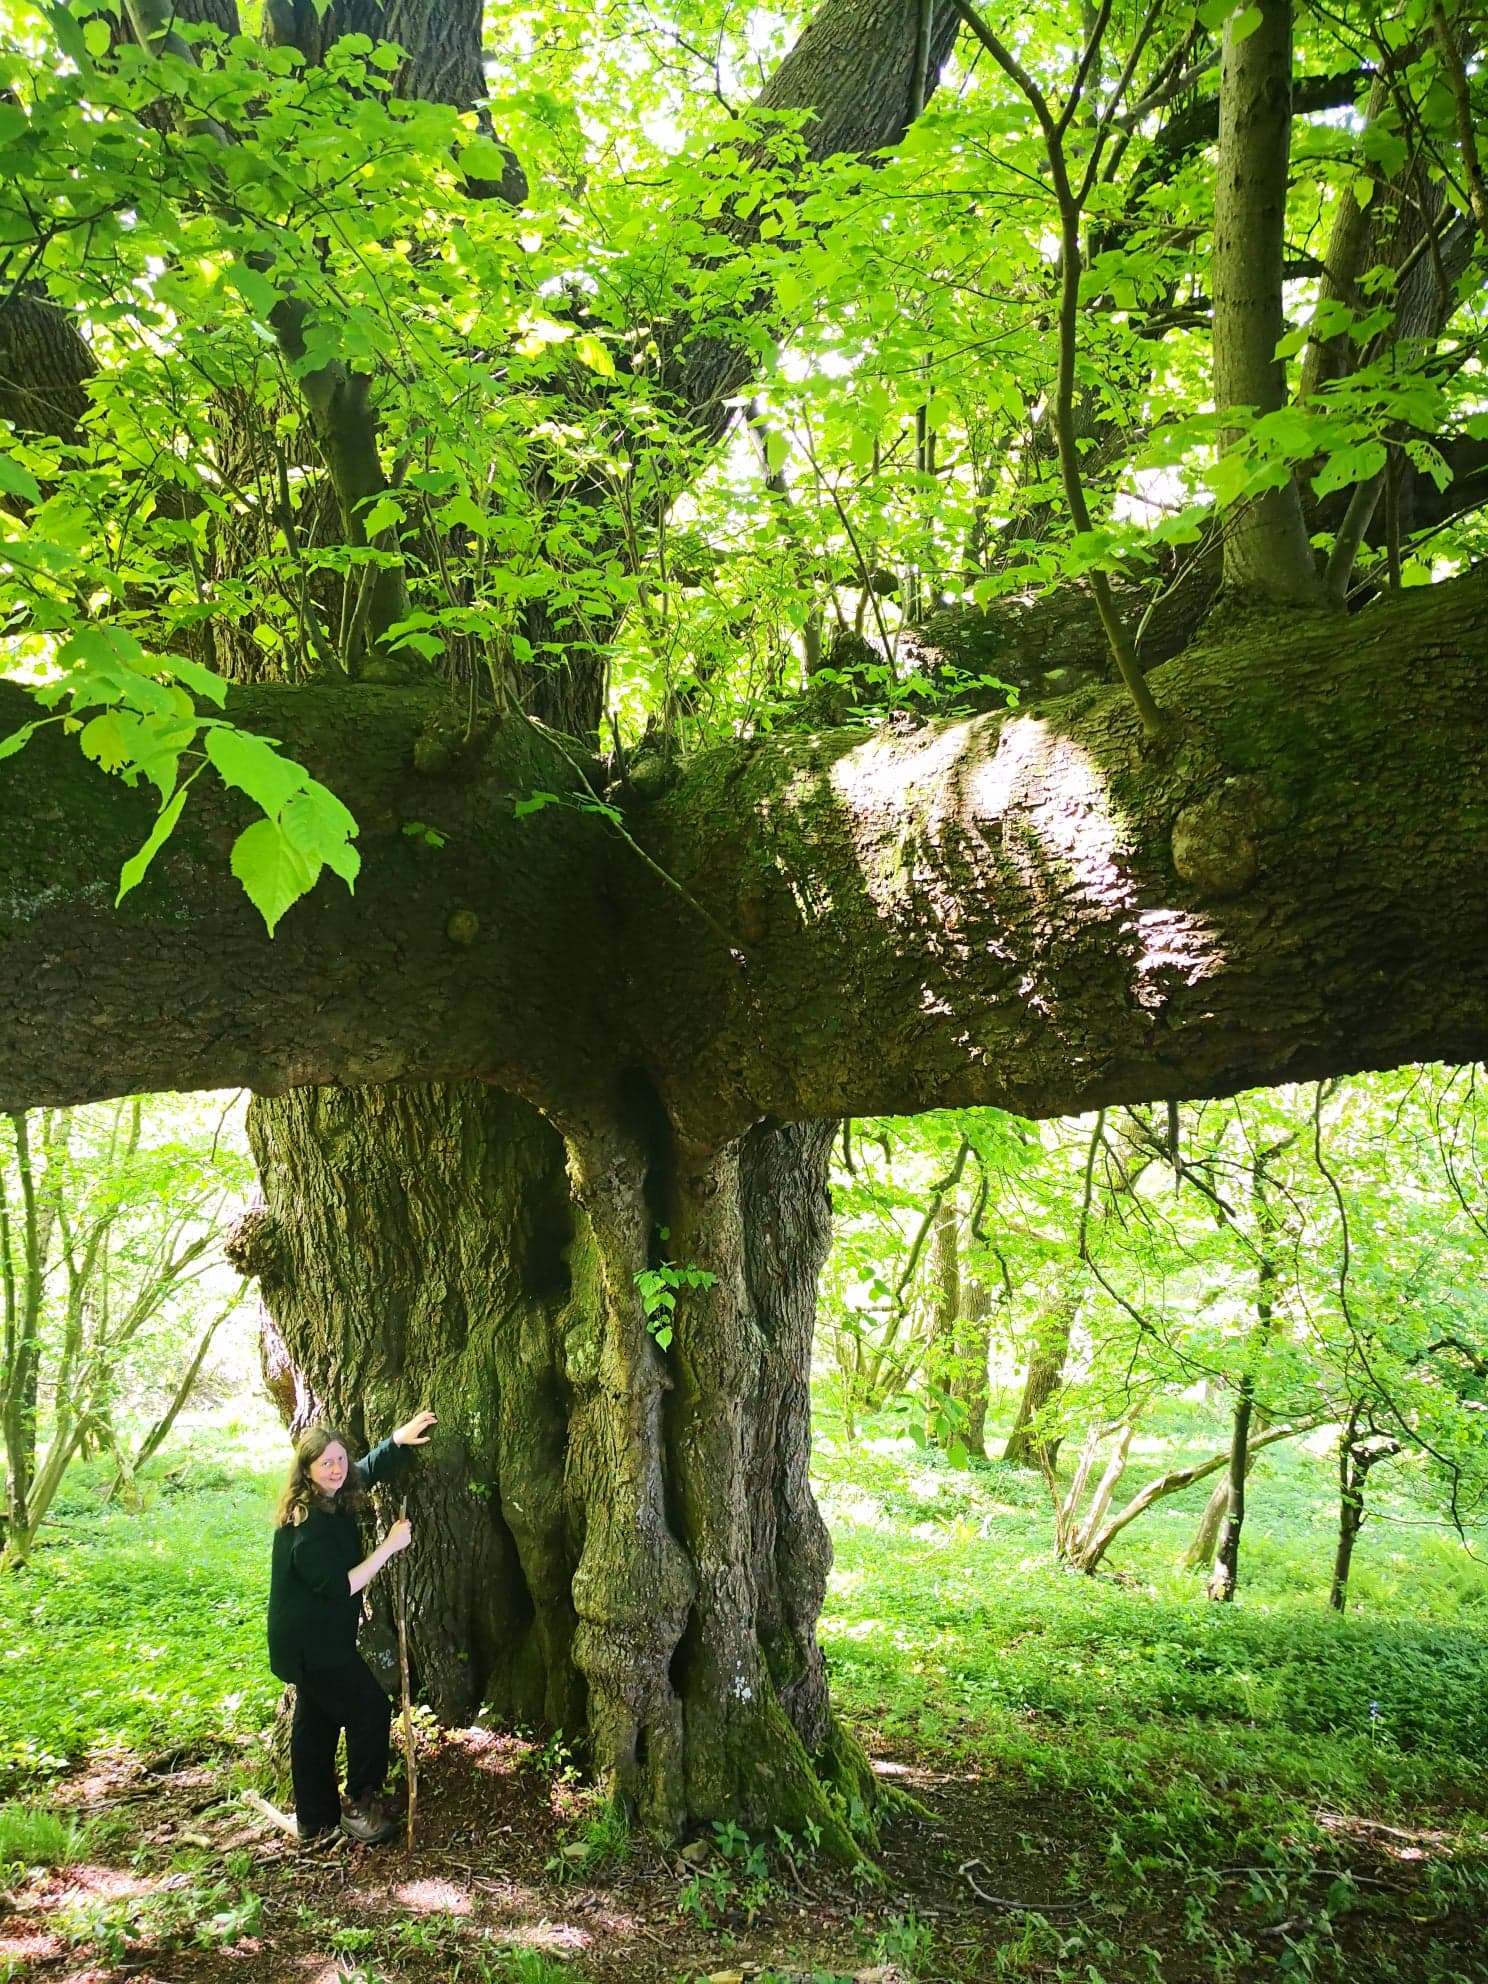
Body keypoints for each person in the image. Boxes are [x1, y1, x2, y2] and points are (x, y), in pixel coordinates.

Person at [267, 1410, 437, 1845]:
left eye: (340, 1458)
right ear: (306, 1470)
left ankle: (314, 1817)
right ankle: (360, 1804)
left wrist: (396, 1441)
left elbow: (364, 1471)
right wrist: (390, 1546)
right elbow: (343, 1585)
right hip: (312, 1647)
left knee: (316, 1723)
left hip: (317, 1642)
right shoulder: (306, 1528)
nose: (338, 1468)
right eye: (326, 1463)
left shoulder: (330, 1494)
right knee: (369, 1710)